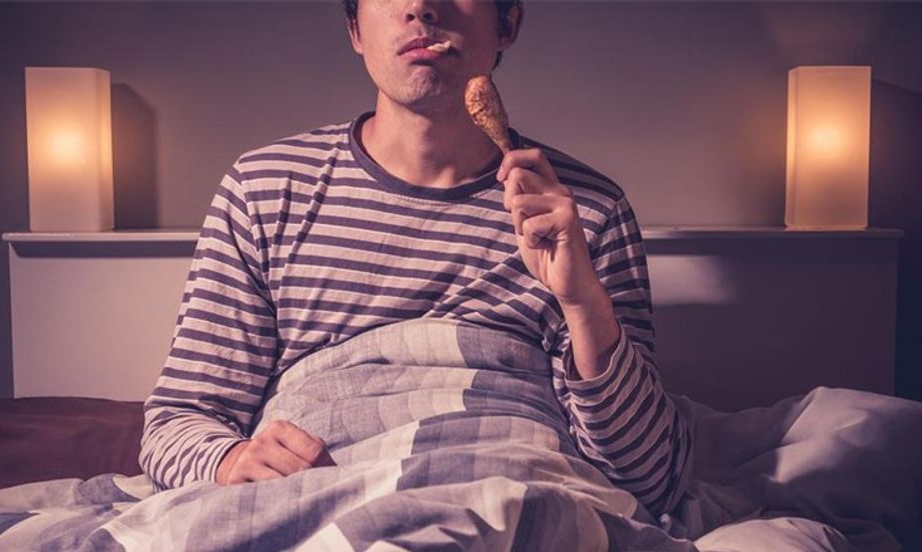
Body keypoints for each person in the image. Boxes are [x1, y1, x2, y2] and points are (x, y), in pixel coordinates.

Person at [139, 0, 693, 520]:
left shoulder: (585, 213)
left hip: (502, 496)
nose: (422, 6)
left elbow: (650, 478)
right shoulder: (265, 189)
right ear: (356, 30)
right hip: (320, 497)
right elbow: (176, 423)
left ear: (508, 24)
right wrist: (229, 460)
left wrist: (582, 302)